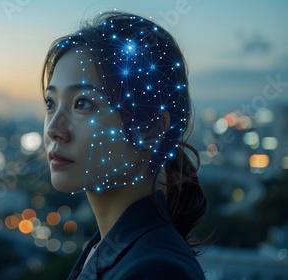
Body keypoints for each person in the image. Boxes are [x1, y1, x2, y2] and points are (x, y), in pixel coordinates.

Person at [41, 11, 208, 279]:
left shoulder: (156, 271)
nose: (53, 129)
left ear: (152, 128)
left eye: (83, 103)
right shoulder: (107, 248)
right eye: (50, 103)